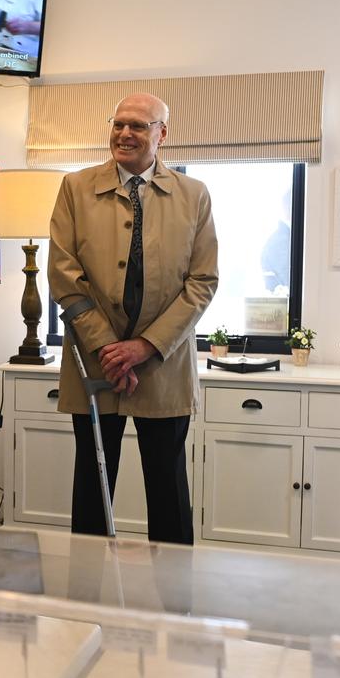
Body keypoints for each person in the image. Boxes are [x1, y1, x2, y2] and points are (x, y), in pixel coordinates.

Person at [47, 92, 219, 544]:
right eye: (119, 124)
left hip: (163, 365)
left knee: (168, 486)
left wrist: (144, 347)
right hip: (93, 364)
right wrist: (107, 347)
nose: (125, 134)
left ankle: (172, 605)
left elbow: (202, 281)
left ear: (163, 133)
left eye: (139, 126)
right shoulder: (75, 188)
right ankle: (85, 604)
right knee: (92, 486)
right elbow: (64, 274)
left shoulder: (194, 195)